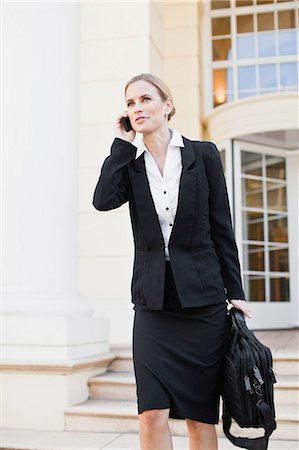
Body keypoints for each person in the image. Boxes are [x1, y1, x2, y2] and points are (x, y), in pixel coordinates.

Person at [92, 73, 251, 450]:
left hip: (204, 304)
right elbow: (102, 200)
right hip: (153, 304)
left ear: (168, 105)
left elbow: (222, 229)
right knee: (151, 414)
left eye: (145, 99)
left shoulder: (203, 155)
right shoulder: (129, 166)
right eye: (130, 103)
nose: (137, 108)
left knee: (199, 417)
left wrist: (236, 292)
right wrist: (120, 143)